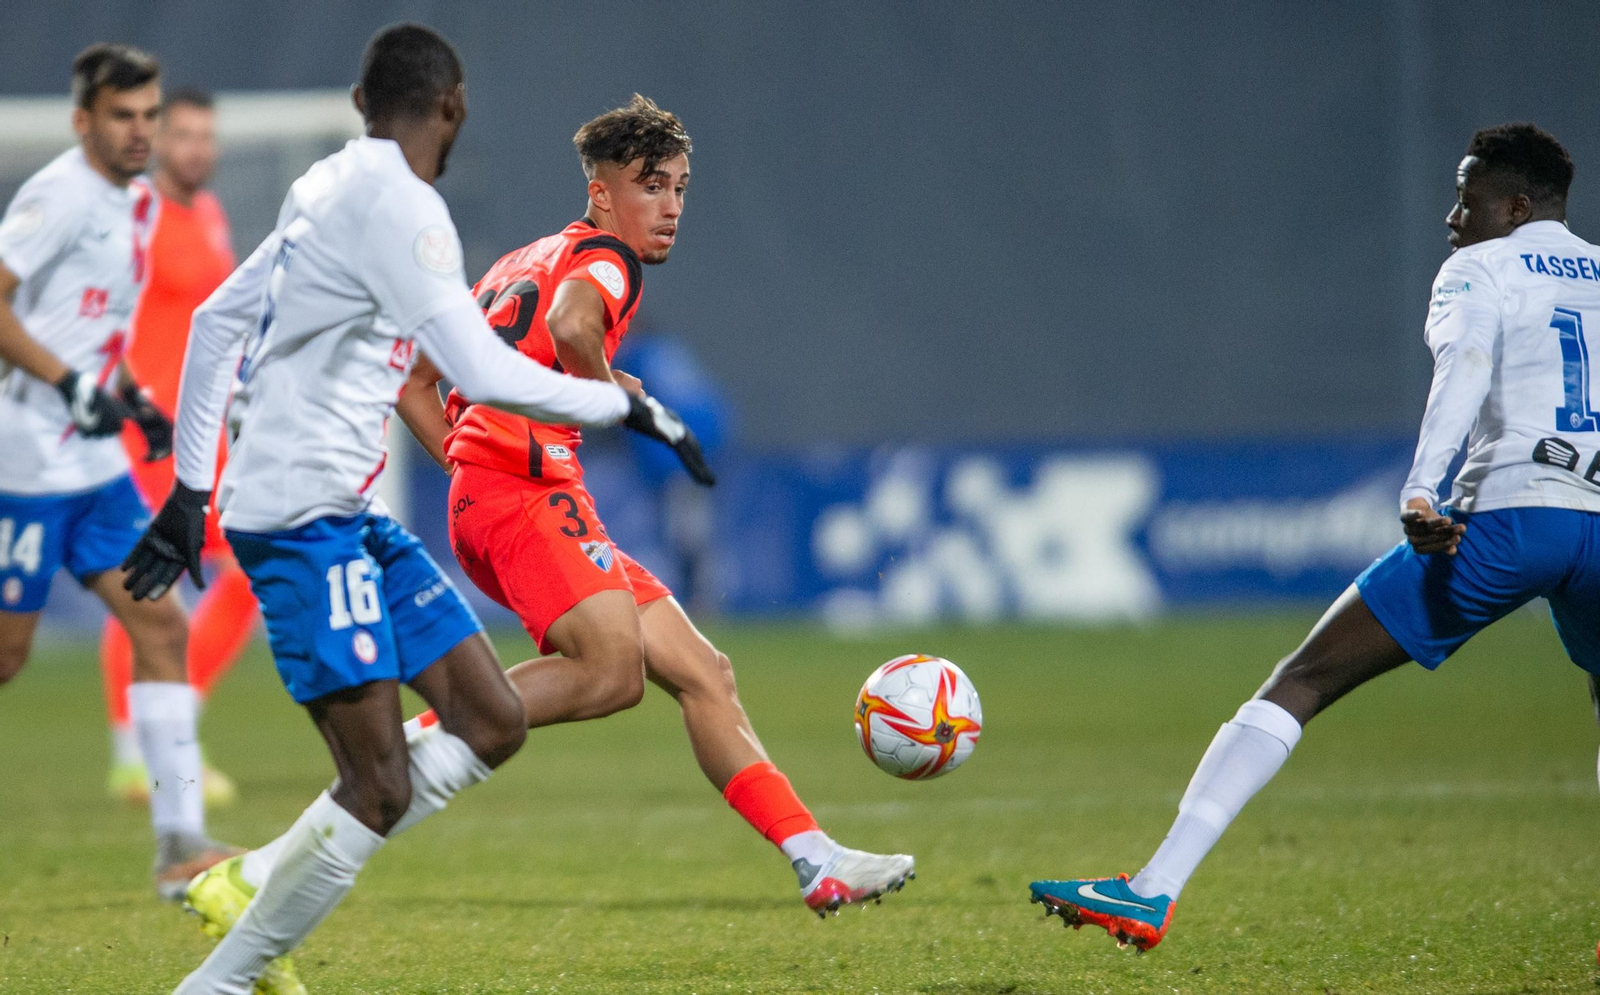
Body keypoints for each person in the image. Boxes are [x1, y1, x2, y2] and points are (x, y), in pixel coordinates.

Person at [122, 24, 709, 995]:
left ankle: (254, 889)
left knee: (488, 715)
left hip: (344, 512)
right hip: (303, 518)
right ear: (453, 109)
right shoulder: (414, 215)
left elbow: (218, 318)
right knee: (382, 781)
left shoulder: (324, 186)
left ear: (362, 104)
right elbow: (481, 371)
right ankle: (221, 981)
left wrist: (191, 486)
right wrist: (628, 405)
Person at [1028, 122, 1600, 952]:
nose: (1452, 215)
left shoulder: (1480, 267)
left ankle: (1150, 889)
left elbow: (1467, 364)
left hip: (1512, 517)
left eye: (1466, 197)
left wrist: (1421, 487)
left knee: (1301, 679)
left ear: (1513, 207)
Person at [392, 94, 914, 916]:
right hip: (524, 495)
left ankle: (817, 858)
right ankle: (408, 745)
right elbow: (570, 327)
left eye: (678, 187)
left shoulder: (519, 260)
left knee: (704, 671)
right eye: (650, 186)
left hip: (506, 493)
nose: (669, 207)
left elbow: (418, 382)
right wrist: (611, 402)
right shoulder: (608, 260)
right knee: (610, 673)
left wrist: (470, 456)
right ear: (601, 192)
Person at [0, 42, 237, 900]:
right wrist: (66, 384)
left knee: (162, 625)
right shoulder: (58, 196)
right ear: (83, 121)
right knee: (8, 657)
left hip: (95, 466)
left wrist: (130, 395)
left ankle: (179, 844)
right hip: (22, 466)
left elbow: (91, 329)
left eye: (149, 115)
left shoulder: (139, 203)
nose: (141, 131)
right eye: (123, 117)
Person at [103, 86, 252, 807]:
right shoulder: (135, 217)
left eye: (206, 135)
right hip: (147, 435)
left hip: (201, 432)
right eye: (183, 135)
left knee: (246, 572)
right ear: (157, 141)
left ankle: (168, 727)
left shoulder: (210, 214)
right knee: (147, 585)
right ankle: (137, 753)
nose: (197, 147)